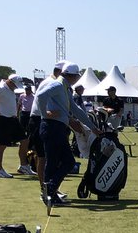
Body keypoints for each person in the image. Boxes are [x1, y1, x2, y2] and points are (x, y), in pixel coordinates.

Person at [34, 61, 98, 209]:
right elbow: (40, 97)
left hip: (57, 127)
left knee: (58, 162)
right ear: (73, 76)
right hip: (52, 127)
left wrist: (92, 127)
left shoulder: (65, 88)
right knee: (64, 162)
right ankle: (50, 189)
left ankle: (50, 192)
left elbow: (76, 110)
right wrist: (45, 114)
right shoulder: (58, 85)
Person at [0, 75, 30, 177]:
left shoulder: (10, 89)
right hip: (2, 119)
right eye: (15, 85)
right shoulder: (0, 88)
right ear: (10, 82)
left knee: (25, 140)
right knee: (2, 145)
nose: (16, 87)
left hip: (13, 119)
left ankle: (23, 166)